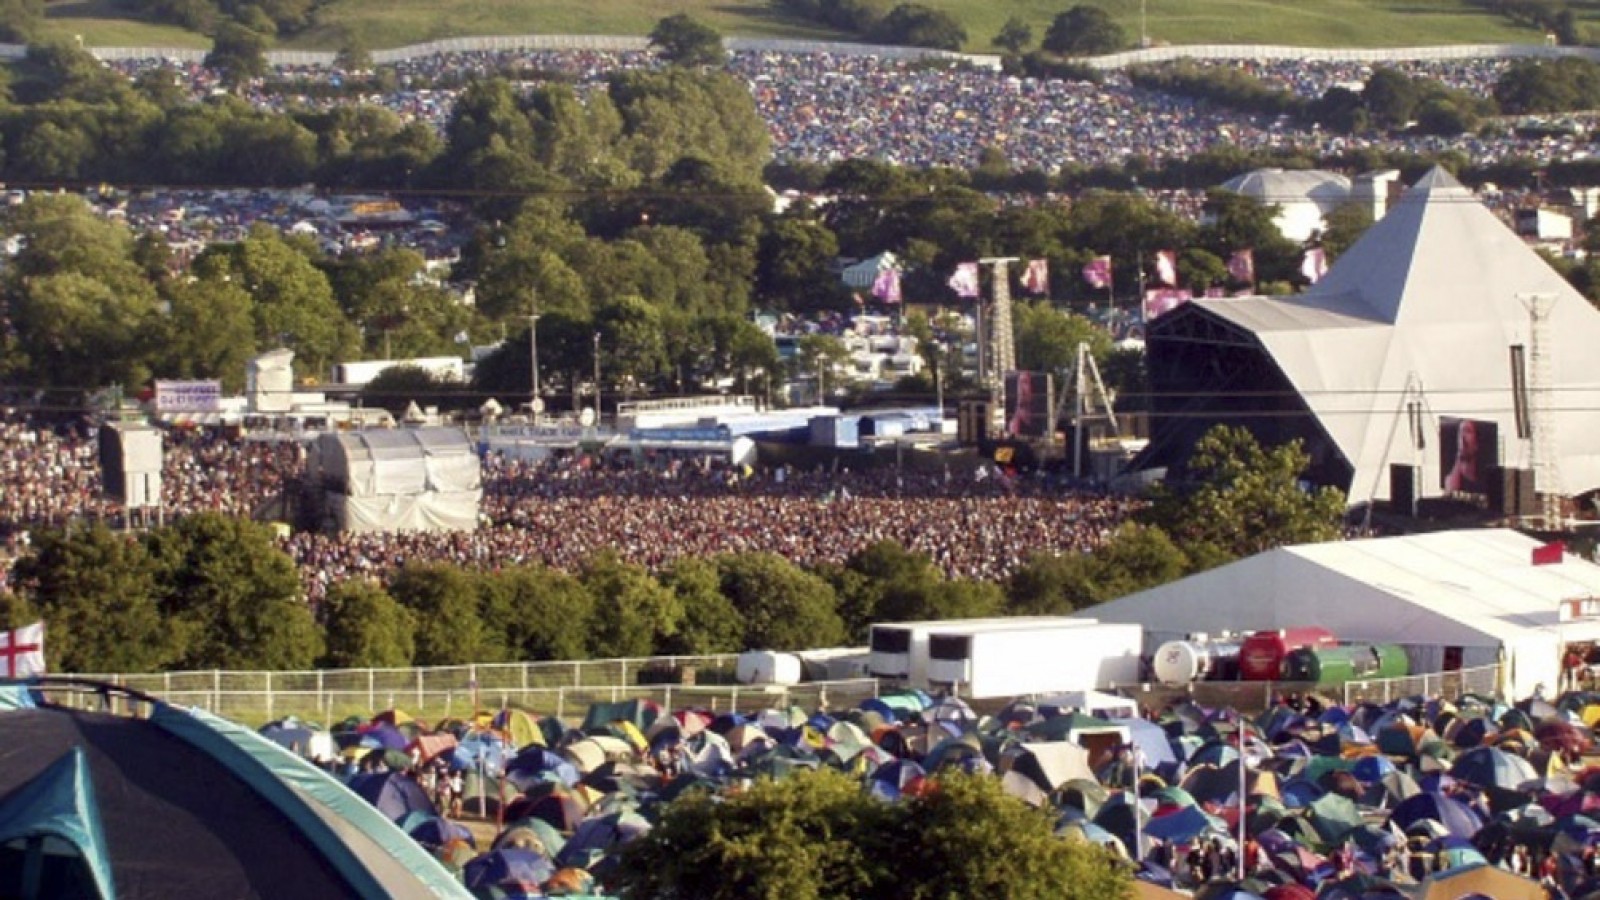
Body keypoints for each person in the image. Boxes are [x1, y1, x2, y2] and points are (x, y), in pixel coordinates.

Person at [1443, 419, 1482, 493]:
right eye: (1460, 432)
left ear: (1476, 444)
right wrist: (1460, 454)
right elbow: (1451, 490)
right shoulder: (1450, 479)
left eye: (1467, 431)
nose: (1463, 436)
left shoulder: (1482, 482)